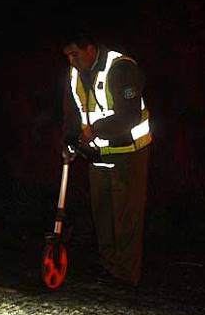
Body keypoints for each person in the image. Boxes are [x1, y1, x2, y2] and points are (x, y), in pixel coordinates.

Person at [61, 33, 151, 286]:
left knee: (126, 215)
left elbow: (130, 115)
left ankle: (126, 275)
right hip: (97, 154)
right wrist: (69, 140)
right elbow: (72, 112)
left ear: (90, 49)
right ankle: (109, 267)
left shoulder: (121, 68)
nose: (71, 60)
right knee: (102, 213)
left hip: (128, 153)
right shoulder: (74, 73)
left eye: (74, 54)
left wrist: (95, 130)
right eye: (67, 55)